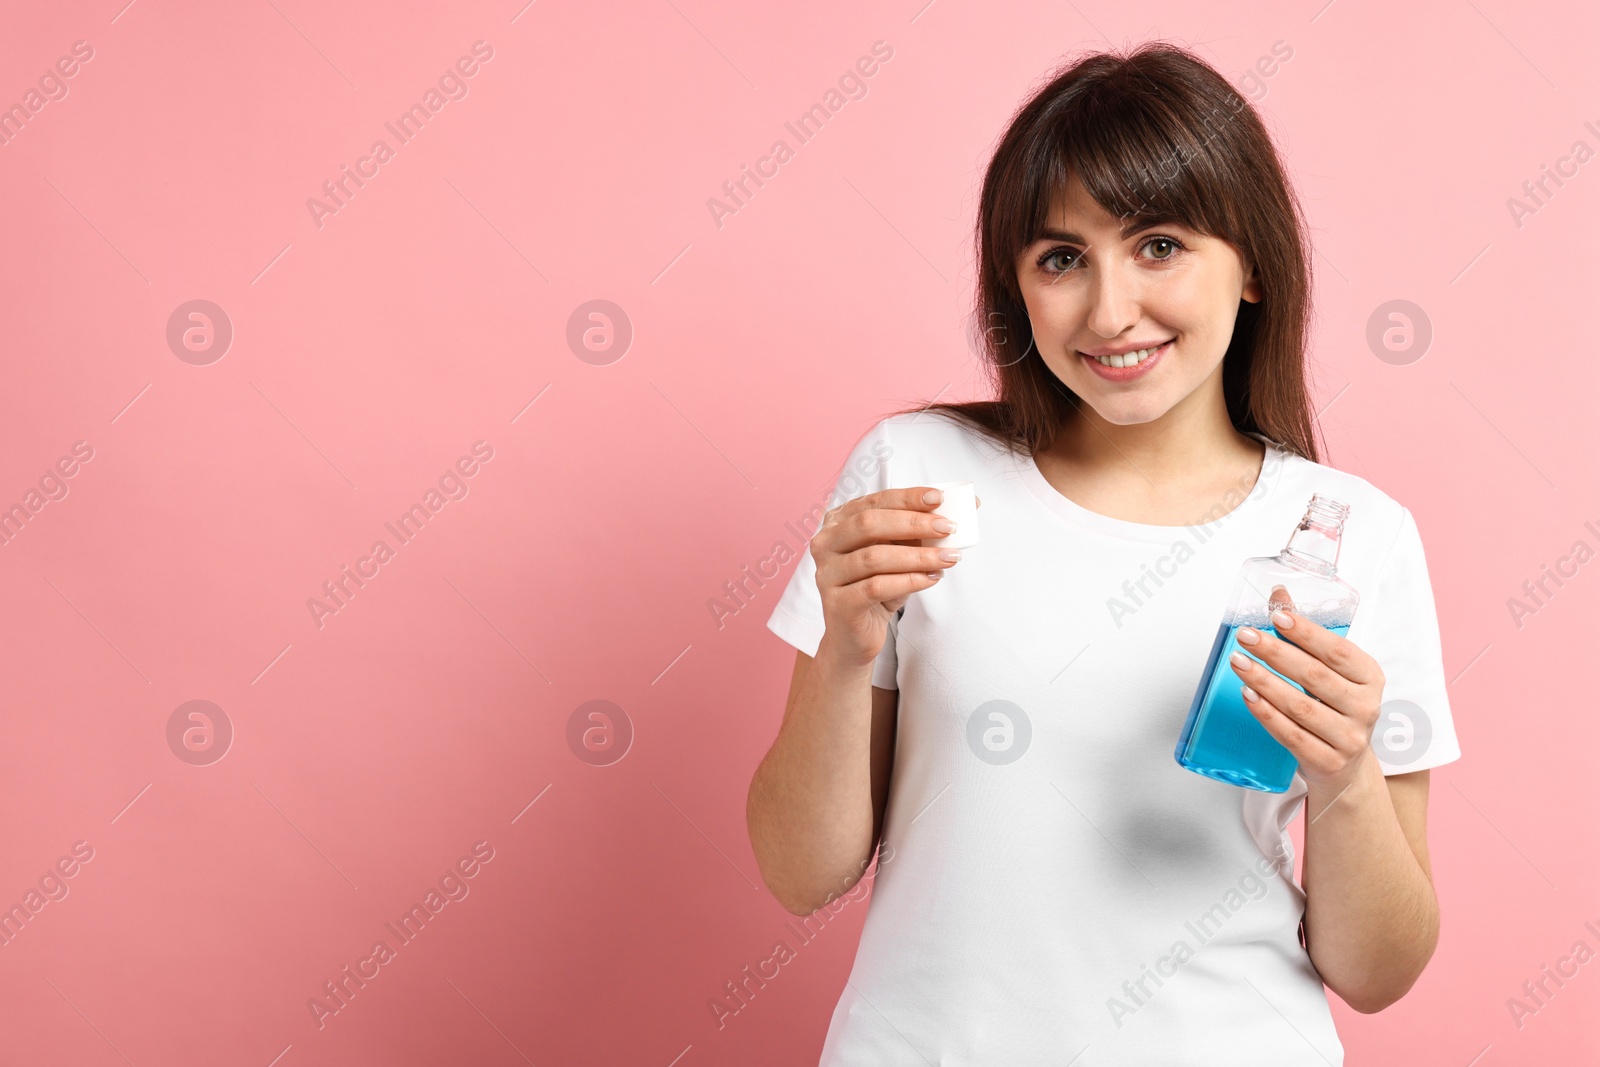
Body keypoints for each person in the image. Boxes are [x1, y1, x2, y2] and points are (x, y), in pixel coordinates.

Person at [745, 41, 1462, 1065]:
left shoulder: (1348, 535)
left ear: (1252, 263)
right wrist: (845, 648)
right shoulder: (918, 474)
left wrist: (1344, 777)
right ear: (1017, 286)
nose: (1110, 310)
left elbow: (1376, 970)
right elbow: (797, 872)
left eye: (1159, 245)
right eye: (1061, 258)